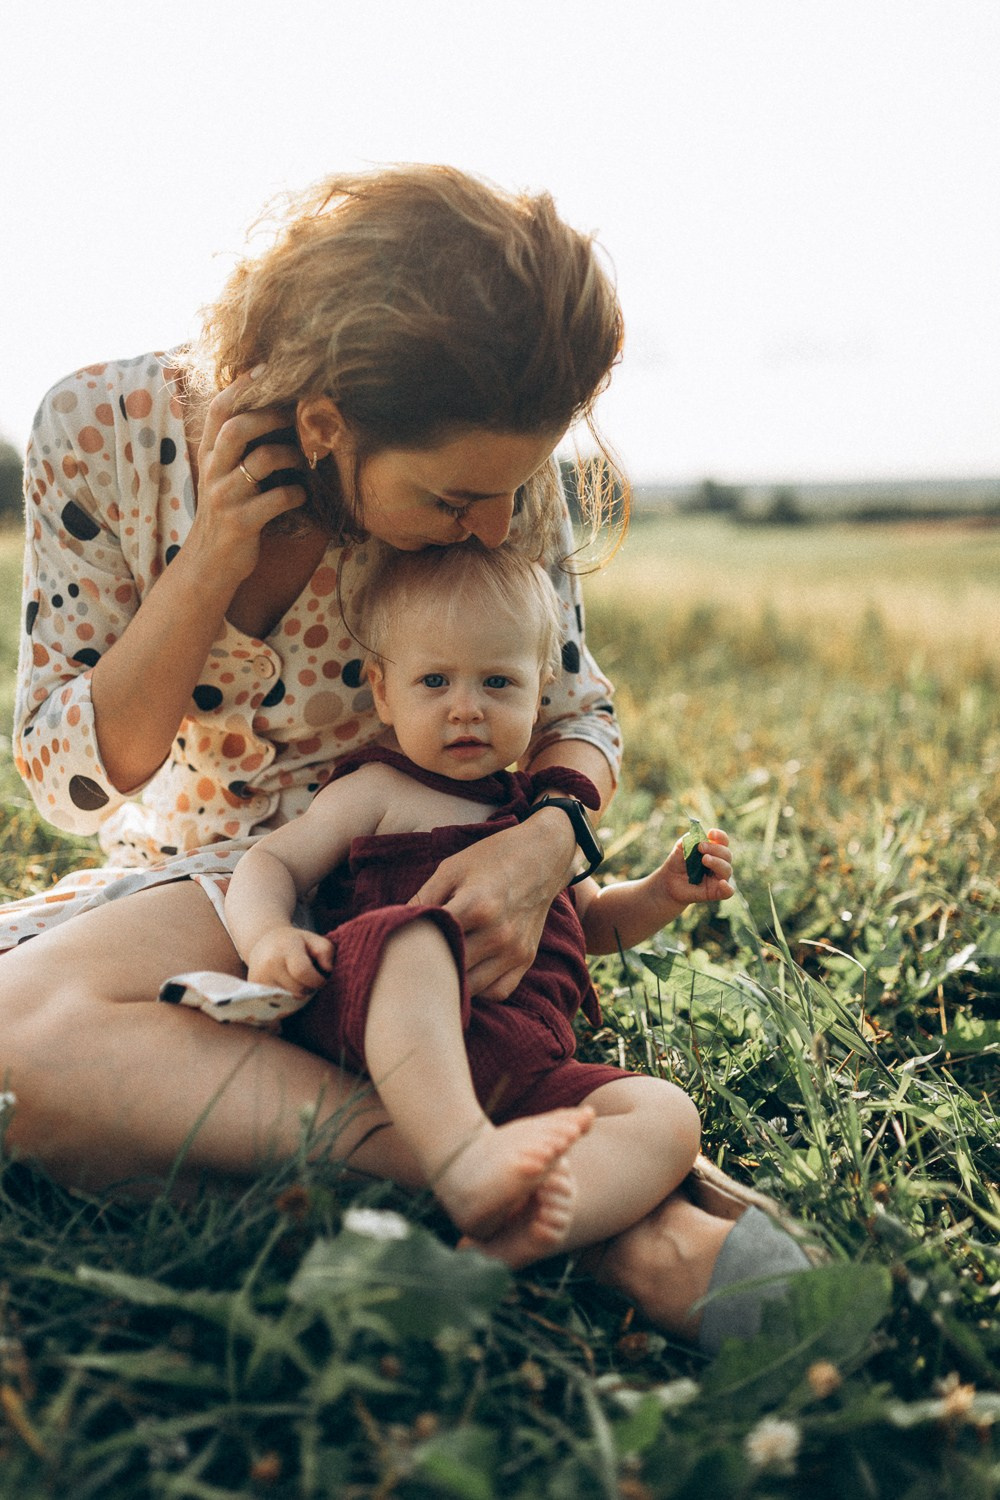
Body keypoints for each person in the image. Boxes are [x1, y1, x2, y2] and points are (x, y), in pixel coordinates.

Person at [1, 164, 810, 1351]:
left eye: (513, 490)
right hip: (222, 883)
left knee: (36, 1068)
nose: (496, 525)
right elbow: (73, 782)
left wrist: (544, 844)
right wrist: (211, 560)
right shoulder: (99, 432)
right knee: (21, 1053)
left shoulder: (499, 485)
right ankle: (564, 1211)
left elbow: (577, 709)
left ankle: (437, 1183)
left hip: (411, 878)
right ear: (325, 425)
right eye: (455, 498)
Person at [190, 542, 729, 1273]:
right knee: (420, 938)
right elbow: (273, 860)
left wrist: (662, 894)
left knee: (668, 1118)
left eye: (497, 682)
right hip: (382, 1032)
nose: (466, 707)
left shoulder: (536, 828)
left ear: (540, 693)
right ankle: (464, 1160)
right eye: (435, 681)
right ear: (383, 693)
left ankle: (524, 1228)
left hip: (529, 1068)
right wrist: (268, 939)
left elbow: (593, 923)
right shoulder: (377, 790)